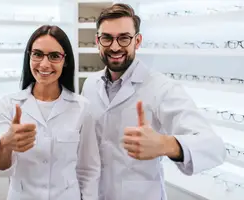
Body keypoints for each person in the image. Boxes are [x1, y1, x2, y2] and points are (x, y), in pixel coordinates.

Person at [81, 3, 226, 200]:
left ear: (137, 41)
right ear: (98, 41)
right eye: (107, 38)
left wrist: (166, 144)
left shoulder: (161, 88)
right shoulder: (90, 85)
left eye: (124, 38)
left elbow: (214, 147)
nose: (115, 47)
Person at [0, 25, 100, 200]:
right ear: (29, 56)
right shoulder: (9, 105)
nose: (44, 64)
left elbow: (89, 169)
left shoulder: (82, 107)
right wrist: (5, 144)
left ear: (65, 60)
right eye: (37, 54)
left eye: (54, 56)